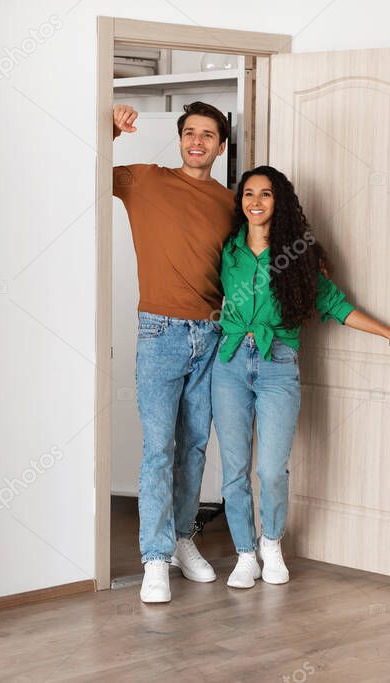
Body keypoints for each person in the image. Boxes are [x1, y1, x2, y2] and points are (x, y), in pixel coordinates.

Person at [212, 166, 390, 589]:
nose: (255, 202)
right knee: (233, 470)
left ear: (279, 201)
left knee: (270, 469)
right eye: (248, 194)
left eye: (265, 194)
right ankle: (244, 554)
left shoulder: (298, 256)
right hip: (229, 364)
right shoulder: (228, 250)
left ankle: (271, 544)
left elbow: (338, 306)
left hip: (278, 365)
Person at [111, 101, 234, 603]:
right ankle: (155, 558)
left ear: (221, 146)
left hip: (210, 334)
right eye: (190, 133)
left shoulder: (230, 202)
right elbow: (81, 165)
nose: (197, 141)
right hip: (159, 331)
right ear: (180, 138)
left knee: (196, 447)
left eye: (208, 135)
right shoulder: (146, 180)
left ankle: (184, 539)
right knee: (159, 449)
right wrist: (110, 130)